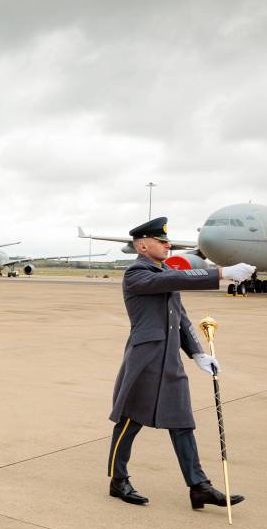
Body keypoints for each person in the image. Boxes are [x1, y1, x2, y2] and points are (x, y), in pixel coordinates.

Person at [107, 216, 251, 511]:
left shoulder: (164, 272)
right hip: (145, 361)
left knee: (182, 422)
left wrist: (197, 353)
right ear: (142, 246)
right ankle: (118, 479)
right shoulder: (137, 274)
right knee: (130, 421)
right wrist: (220, 273)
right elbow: (172, 280)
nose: (168, 245)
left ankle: (199, 486)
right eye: (161, 241)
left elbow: (181, 318)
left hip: (170, 361)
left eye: (167, 241)